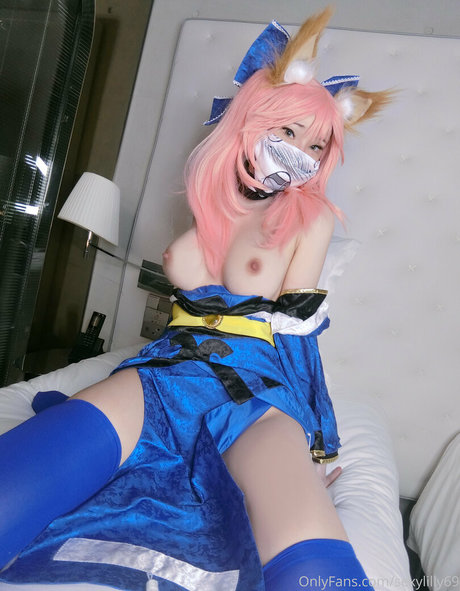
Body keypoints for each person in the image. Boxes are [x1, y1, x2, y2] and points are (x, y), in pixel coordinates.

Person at [0, 8, 391, 591]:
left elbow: (298, 332)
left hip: (253, 386)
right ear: (253, 120)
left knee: (312, 563)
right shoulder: (210, 199)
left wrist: (316, 440)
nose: (301, 153)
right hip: (166, 369)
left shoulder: (309, 218)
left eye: (315, 144)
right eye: (288, 132)